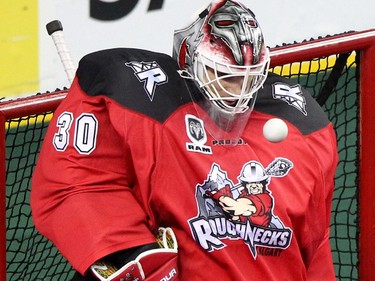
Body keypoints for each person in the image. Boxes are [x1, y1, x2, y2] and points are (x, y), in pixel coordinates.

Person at [31, 0, 338, 280]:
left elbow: (314, 241)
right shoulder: (133, 101)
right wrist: (130, 251)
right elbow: (78, 181)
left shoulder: (303, 124)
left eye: (247, 75)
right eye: (224, 74)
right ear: (189, 58)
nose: (238, 90)